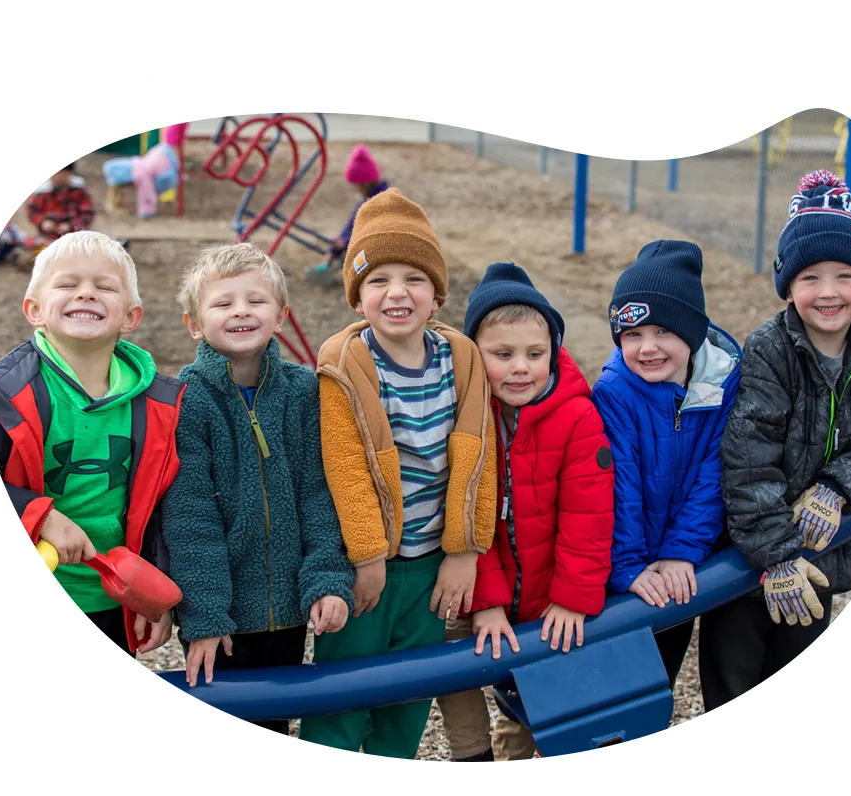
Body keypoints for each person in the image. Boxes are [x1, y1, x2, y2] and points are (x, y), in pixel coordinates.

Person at [697, 170, 851, 711]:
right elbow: (748, 459)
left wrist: (836, 488)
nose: (827, 292)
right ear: (788, 285)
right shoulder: (770, 350)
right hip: (748, 558)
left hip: (824, 549)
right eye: (810, 277)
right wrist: (775, 556)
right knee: (731, 683)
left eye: (844, 275)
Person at [296, 187, 498, 759]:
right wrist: (366, 558)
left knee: (408, 697)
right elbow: (349, 470)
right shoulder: (346, 365)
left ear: (437, 294)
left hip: (434, 564)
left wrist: (464, 552)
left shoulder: (461, 359)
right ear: (358, 298)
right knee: (343, 696)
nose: (397, 292)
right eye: (378, 279)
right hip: (373, 566)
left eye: (414, 277)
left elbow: (478, 458)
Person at [161, 242, 356, 737]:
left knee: (275, 716)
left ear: (281, 316)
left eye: (255, 301)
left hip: (289, 608)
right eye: (223, 303)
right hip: (220, 613)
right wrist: (204, 615)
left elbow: (318, 493)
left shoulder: (302, 391)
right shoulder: (187, 401)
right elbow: (189, 519)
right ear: (194, 323)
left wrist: (327, 578)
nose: (241, 311)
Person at [435, 262, 615, 762]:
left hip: (550, 594)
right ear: (475, 356)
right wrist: (486, 601)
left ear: (553, 355)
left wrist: (573, 597)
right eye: (503, 354)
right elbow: (472, 512)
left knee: (545, 705)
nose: (521, 368)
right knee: (481, 681)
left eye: (536, 355)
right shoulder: (469, 417)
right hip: (495, 589)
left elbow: (589, 516)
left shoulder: (577, 417)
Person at [0, 230, 183, 655]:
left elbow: (168, 505)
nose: (86, 294)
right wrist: (38, 516)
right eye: (68, 284)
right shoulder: (2, 397)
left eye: (104, 287)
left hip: (111, 595)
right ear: (34, 310)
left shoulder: (163, 406)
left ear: (130, 316)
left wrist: (154, 588)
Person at [591, 239, 742, 690]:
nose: (647, 348)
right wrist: (629, 567)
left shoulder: (723, 382)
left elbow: (716, 471)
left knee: (661, 681)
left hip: (683, 560)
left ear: (692, 333)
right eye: (632, 335)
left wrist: (682, 550)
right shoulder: (615, 391)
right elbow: (619, 487)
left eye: (663, 332)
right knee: (616, 685)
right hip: (628, 570)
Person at [305, 144, 390, 286]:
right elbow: (351, 223)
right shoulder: (366, 199)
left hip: (381, 243)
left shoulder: (382, 201)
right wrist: (340, 239)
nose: (355, 189)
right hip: (364, 239)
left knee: (353, 246)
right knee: (340, 243)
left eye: (356, 185)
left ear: (364, 183)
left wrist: (345, 241)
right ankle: (325, 267)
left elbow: (374, 230)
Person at [103, 123, 188, 219]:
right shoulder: (143, 167)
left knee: (172, 138)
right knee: (172, 138)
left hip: (164, 160)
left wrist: (146, 212)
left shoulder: (141, 172)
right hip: (163, 158)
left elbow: (147, 192)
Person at [26, 163, 95, 245]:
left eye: (58, 173)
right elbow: (32, 210)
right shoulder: (43, 192)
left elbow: (87, 214)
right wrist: (43, 222)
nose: (54, 177)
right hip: (47, 237)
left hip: (75, 237)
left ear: (68, 174)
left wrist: (71, 225)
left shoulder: (79, 192)